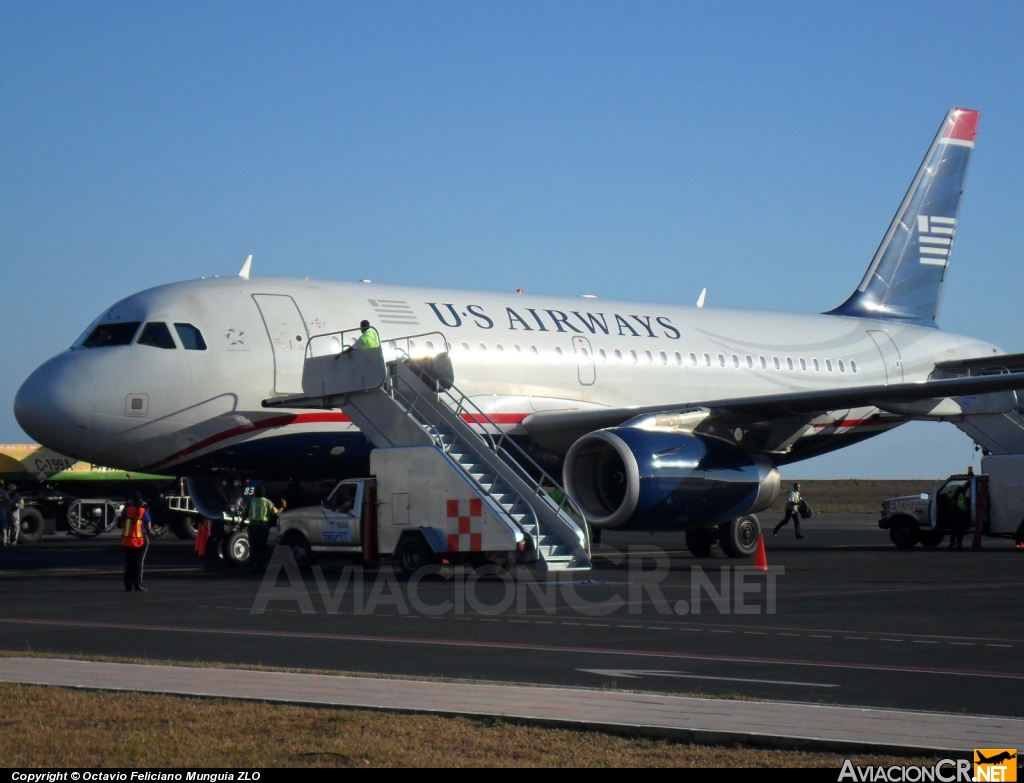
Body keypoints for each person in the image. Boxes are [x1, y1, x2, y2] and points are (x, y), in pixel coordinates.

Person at [246, 484, 286, 573]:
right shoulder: (267, 502)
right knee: (261, 548)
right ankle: (260, 566)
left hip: (252, 527)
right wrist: (283, 506)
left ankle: (252, 566)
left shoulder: (250, 501)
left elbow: (245, 513)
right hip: (262, 528)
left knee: (253, 547)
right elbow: (276, 513)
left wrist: (241, 524)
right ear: (264, 493)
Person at [120, 492, 152, 592]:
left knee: (128, 564)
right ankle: (137, 585)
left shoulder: (126, 510)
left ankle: (128, 585)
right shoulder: (143, 511)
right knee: (138, 564)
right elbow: (149, 526)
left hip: (127, 541)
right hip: (140, 541)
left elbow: (121, 523)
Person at [948, 482, 970, 550]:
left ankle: (952, 543)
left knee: (954, 530)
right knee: (960, 531)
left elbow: (952, 503)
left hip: (957, 515)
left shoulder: (957, 496)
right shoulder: (962, 496)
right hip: (963, 515)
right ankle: (959, 544)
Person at [0, 480, 8, 546]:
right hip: (2, 511)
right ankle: (4, 540)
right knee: (3, 526)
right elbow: (8, 501)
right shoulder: (4, 492)